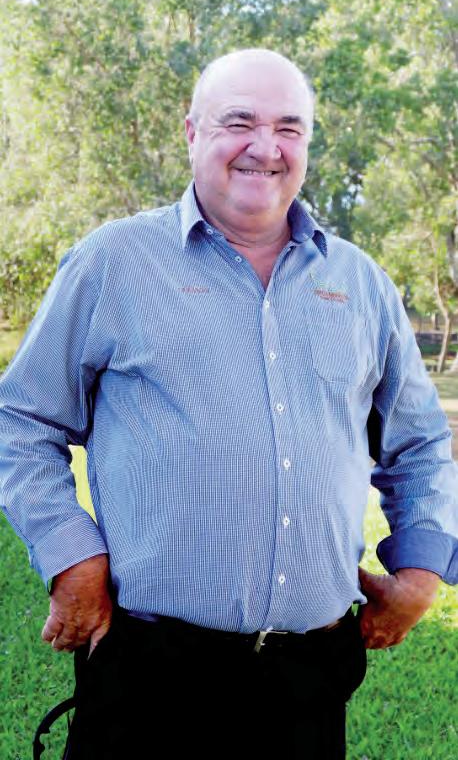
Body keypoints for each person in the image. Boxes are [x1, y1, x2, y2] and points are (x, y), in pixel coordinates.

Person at [0, 48, 456, 760]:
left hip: (311, 681)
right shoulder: (114, 262)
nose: (265, 148)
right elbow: (22, 420)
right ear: (192, 132)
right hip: (149, 678)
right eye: (238, 122)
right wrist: (73, 558)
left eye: (289, 128)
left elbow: (420, 442)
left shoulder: (360, 283)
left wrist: (422, 571)